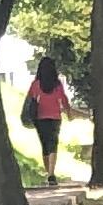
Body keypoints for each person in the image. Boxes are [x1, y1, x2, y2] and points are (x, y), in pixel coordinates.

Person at [24, 53, 71, 185]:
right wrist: (69, 112)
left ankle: (49, 173)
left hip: (40, 118)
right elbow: (63, 99)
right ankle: (51, 173)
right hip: (55, 117)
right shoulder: (57, 84)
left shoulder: (36, 84)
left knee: (44, 145)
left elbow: (30, 99)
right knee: (53, 144)